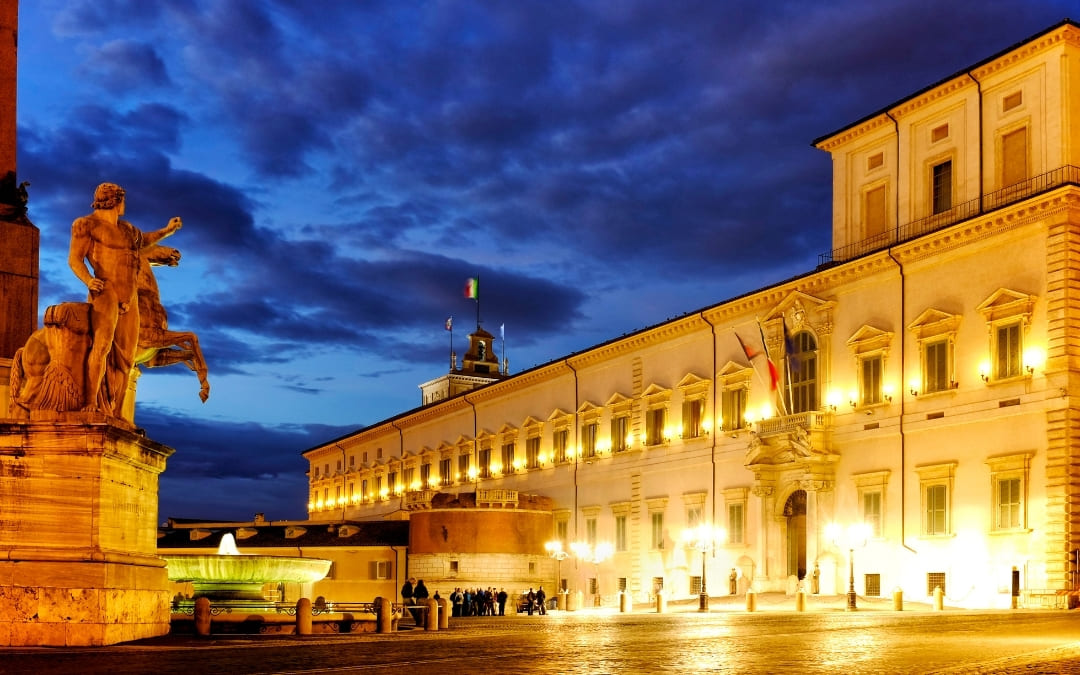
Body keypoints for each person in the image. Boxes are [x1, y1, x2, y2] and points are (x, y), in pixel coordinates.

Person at [68, 182, 182, 416]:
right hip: (106, 291)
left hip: (130, 296)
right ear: (115, 200)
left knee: (127, 358)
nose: (124, 206)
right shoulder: (85, 224)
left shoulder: (128, 229)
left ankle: (116, 412)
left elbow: (145, 240)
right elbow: (75, 259)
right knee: (102, 346)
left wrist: (167, 230)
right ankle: (91, 401)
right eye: (123, 200)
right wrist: (89, 281)